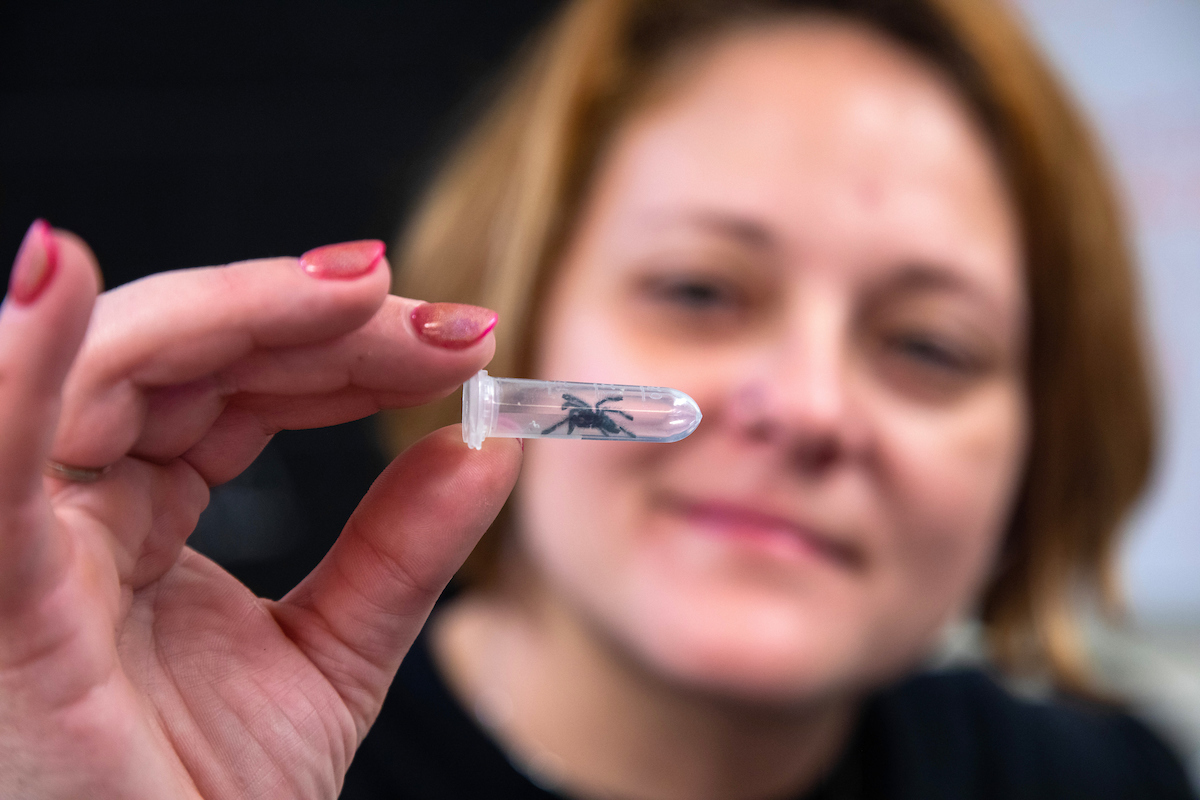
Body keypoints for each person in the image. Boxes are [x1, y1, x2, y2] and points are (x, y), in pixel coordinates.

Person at [0, 4, 1192, 800]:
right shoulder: (228, 759)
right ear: (525, 298)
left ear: (1042, 438)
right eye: (699, 287)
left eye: (931, 345)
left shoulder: (1097, 780)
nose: (810, 405)